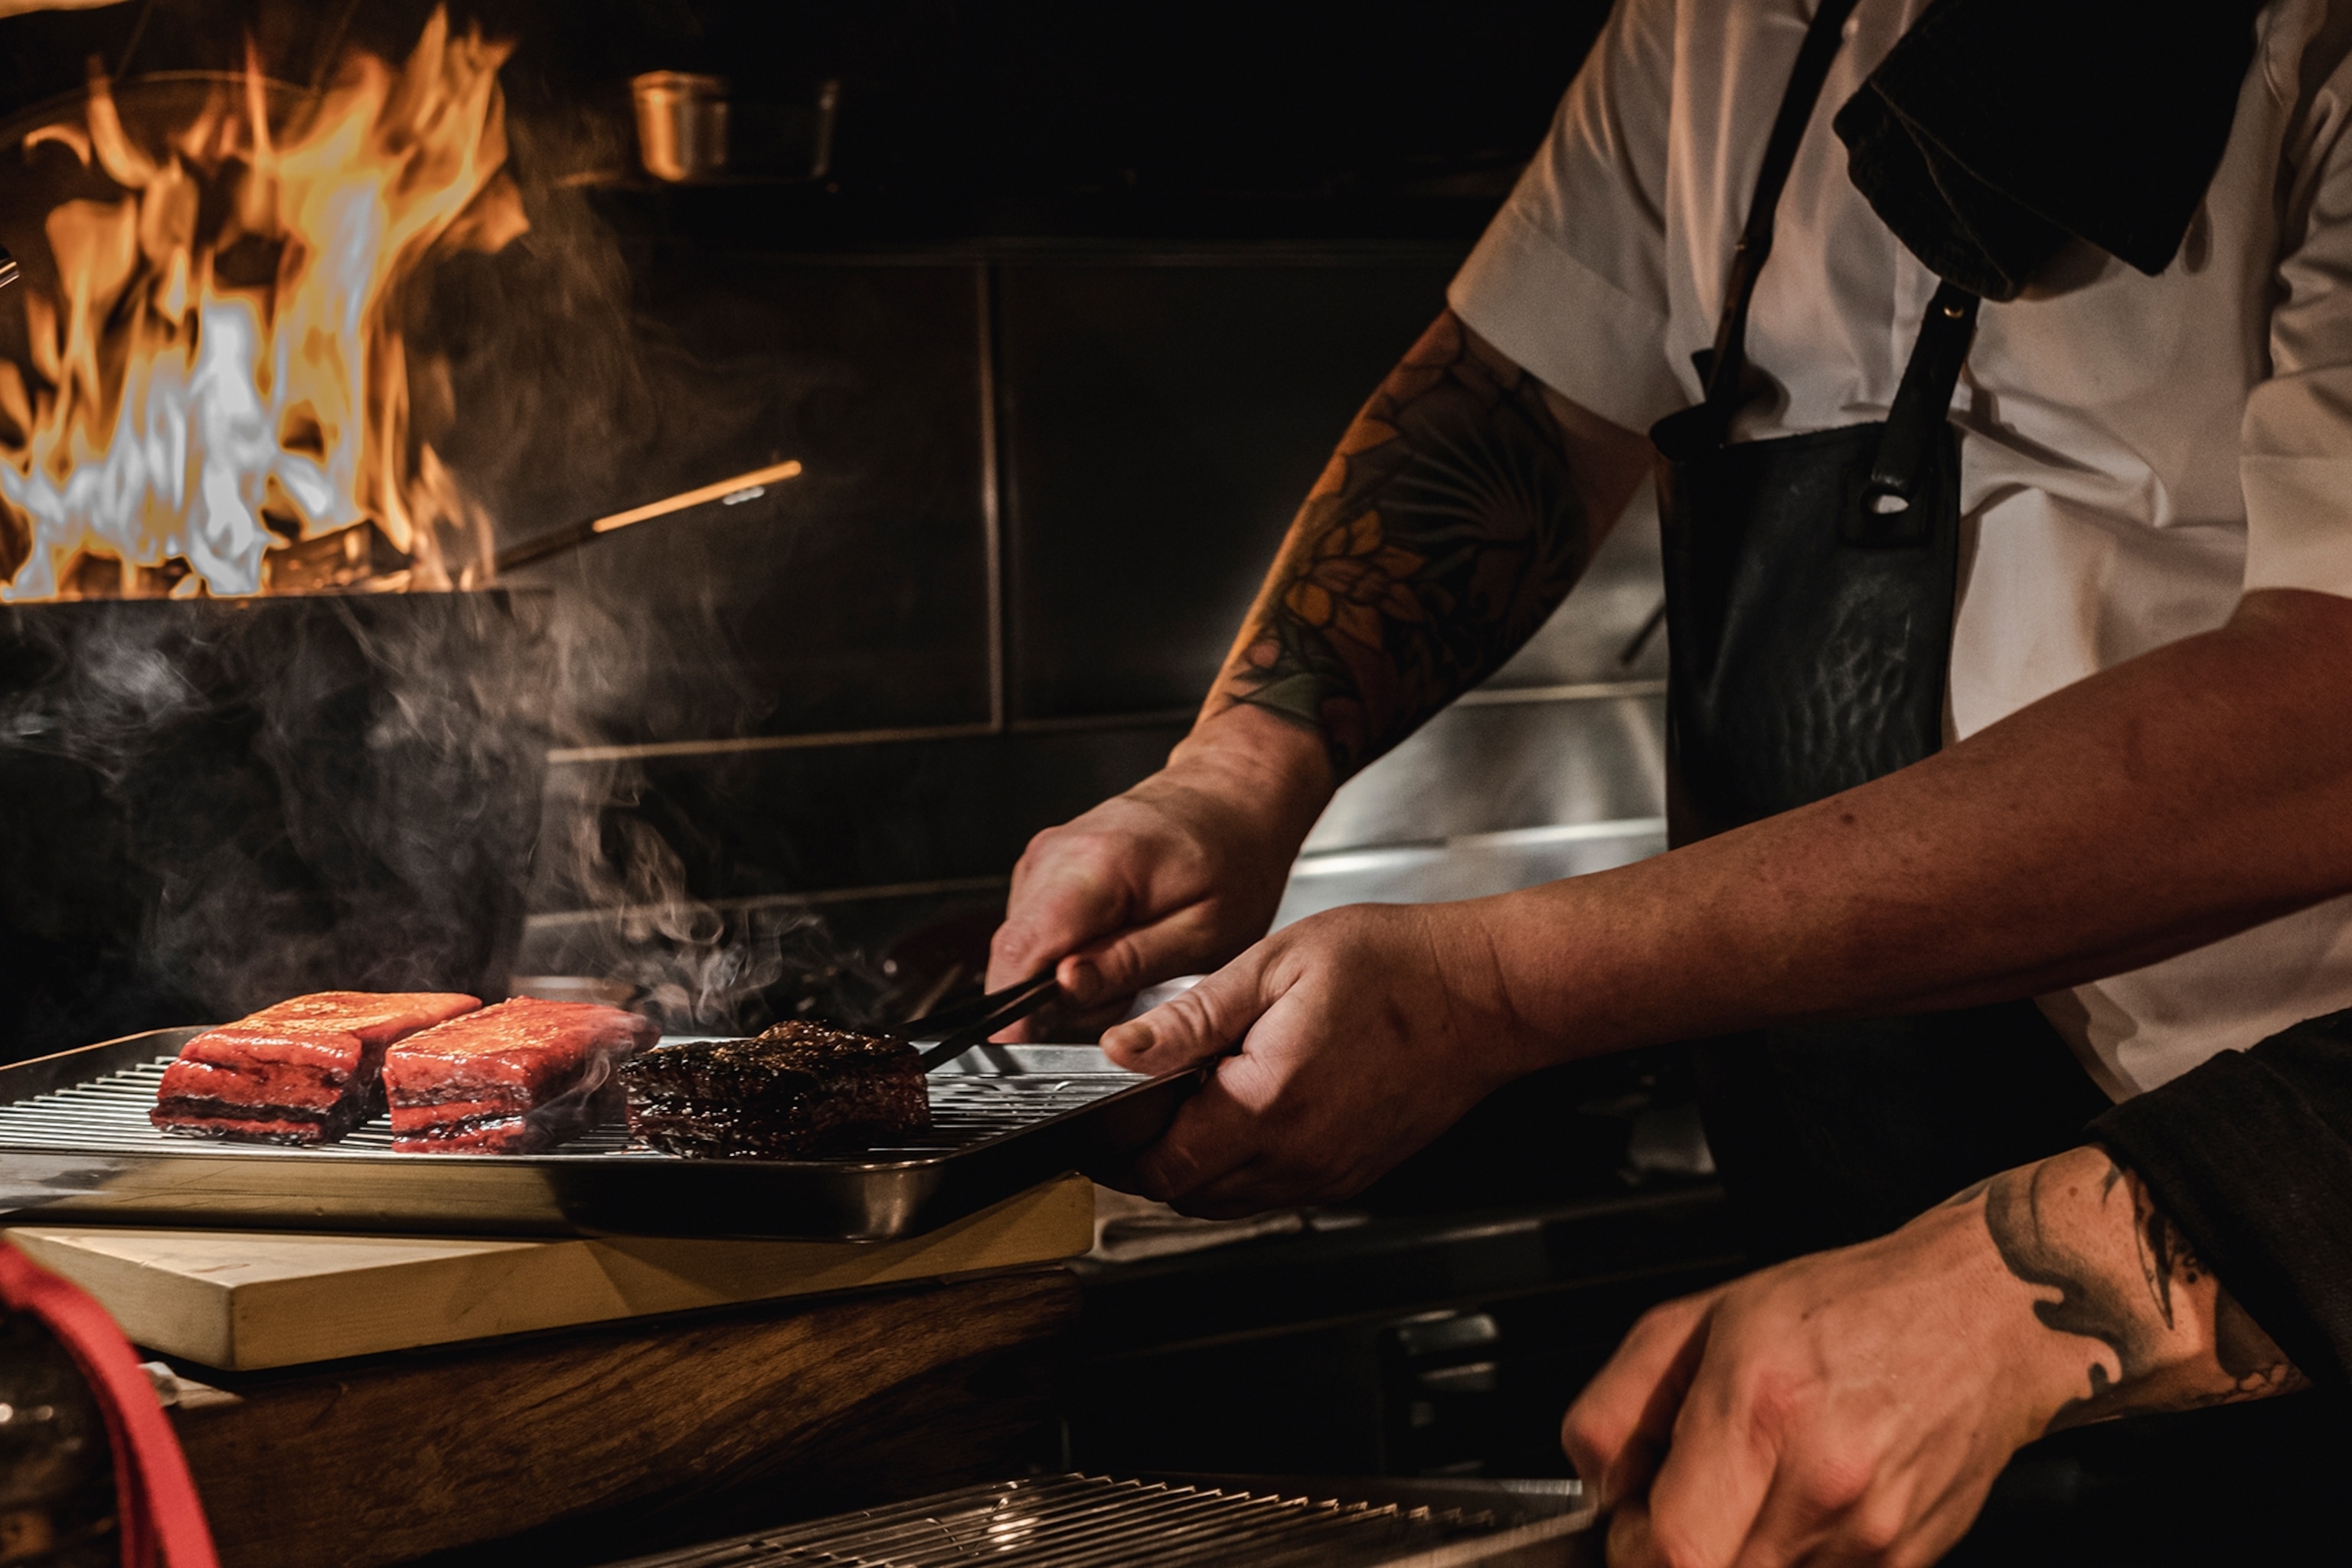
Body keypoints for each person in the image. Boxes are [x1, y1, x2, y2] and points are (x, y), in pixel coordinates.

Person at [989, 0, 2352, 1561]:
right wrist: (1229, 777)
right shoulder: (1698, 24)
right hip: (1834, 1271)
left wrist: (1493, 986)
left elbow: (2327, 714)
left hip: (2272, 1257)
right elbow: (1512, 403)